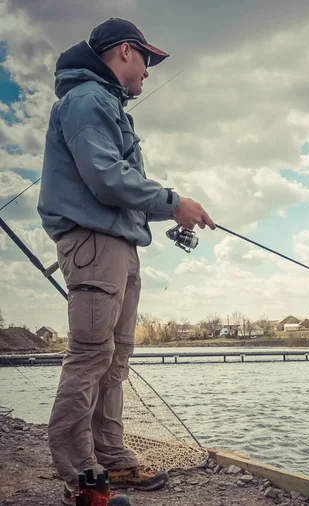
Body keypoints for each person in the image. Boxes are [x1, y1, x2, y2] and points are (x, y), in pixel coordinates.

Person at [37, 18, 215, 505]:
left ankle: (110, 457)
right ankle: (81, 477)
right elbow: (105, 178)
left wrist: (168, 209)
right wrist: (174, 202)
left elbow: (112, 186)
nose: (149, 72)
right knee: (91, 356)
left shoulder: (102, 103)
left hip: (118, 244)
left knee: (115, 359)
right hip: (95, 245)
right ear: (122, 53)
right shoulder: (88, 100)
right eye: (146, 60)